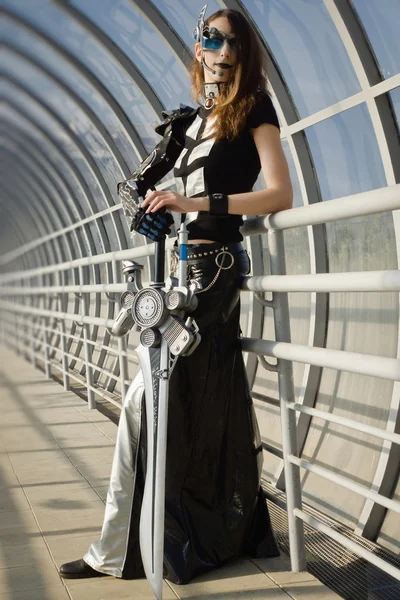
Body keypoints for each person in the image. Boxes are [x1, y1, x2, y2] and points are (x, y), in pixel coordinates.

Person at [59, 5, 292, 585]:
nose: (206, 45)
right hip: (176, 273)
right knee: (173, 407)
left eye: (219, 38)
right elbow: (145, 190)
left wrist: (194, 205)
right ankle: (166, 540)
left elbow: (279, 193)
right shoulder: (188, 124)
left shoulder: (253, 109)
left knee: (145, 400)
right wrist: (153, 206)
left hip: (214, 276)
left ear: (240, 52)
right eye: (201, 36)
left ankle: (116, 551)